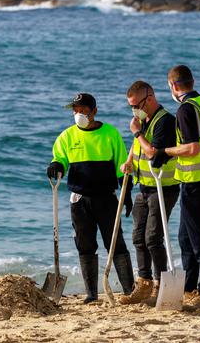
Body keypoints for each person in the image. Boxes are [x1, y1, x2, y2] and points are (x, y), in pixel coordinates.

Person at [46, 93, 134, 303]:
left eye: (83, 110)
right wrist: (56, 165)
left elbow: (123, 167)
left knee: (115, 243)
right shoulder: (66, 136)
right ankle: (92, 294)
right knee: (84, 245)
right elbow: (60, 159)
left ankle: (129, 290)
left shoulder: (110, 133)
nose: (78, 114)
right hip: (79, 200)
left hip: (106, 198)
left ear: (94, 111)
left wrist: (127, 193)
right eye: (75, 110)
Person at [156, 65, 200, 310]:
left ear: (173, 86)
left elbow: (192, 147)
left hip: (196, 181)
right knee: (185, 237)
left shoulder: (185, 109)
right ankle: (190, 288)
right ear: (192, 81)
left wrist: (165, 151)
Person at [118, 81, 180, 305]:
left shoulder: (166, 121)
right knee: (138, 237)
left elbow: (153, 153)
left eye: (137, 105)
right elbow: (137, 148)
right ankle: (143, 284)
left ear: (150, 98)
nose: (134, 110)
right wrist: (128, 162)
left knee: (153, 238)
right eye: (131, 106)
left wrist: (136, 133)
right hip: (143, 187)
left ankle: (159, 284)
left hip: (164, 187)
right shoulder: (144, 120)